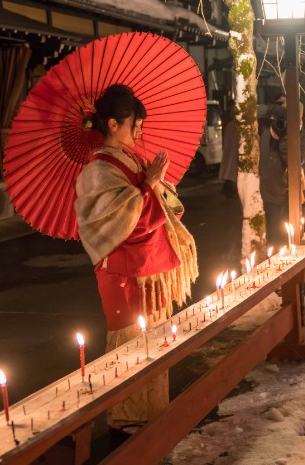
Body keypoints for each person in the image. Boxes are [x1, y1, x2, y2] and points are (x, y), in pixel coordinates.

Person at [74, 84, 198, 433]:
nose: (139, 131)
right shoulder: (97, 170)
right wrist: (149, 185)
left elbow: (160, 203)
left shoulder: (130, 159)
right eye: (135, 124)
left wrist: (156, 184)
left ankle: (153, 410)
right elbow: (125, 221)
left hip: (151, 264)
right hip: (125, 270)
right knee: (129, 339)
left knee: (155, 336)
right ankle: (127, 414)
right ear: (112, 124)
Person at [259, 105, 305, 247]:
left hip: (289, 194)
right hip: (269, 192)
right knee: (273, 236)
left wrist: (285, 137)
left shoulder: (304, 136)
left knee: (287, 235)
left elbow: (294, 161)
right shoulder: (269, 131)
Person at [218, 103, 238, 197]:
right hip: (234, 151)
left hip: (230, 150)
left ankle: (228, 189)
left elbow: (226, 139)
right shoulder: (235, 125)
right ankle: (228, 189)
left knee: (230, 170)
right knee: (232, 170)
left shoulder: (230, 125)